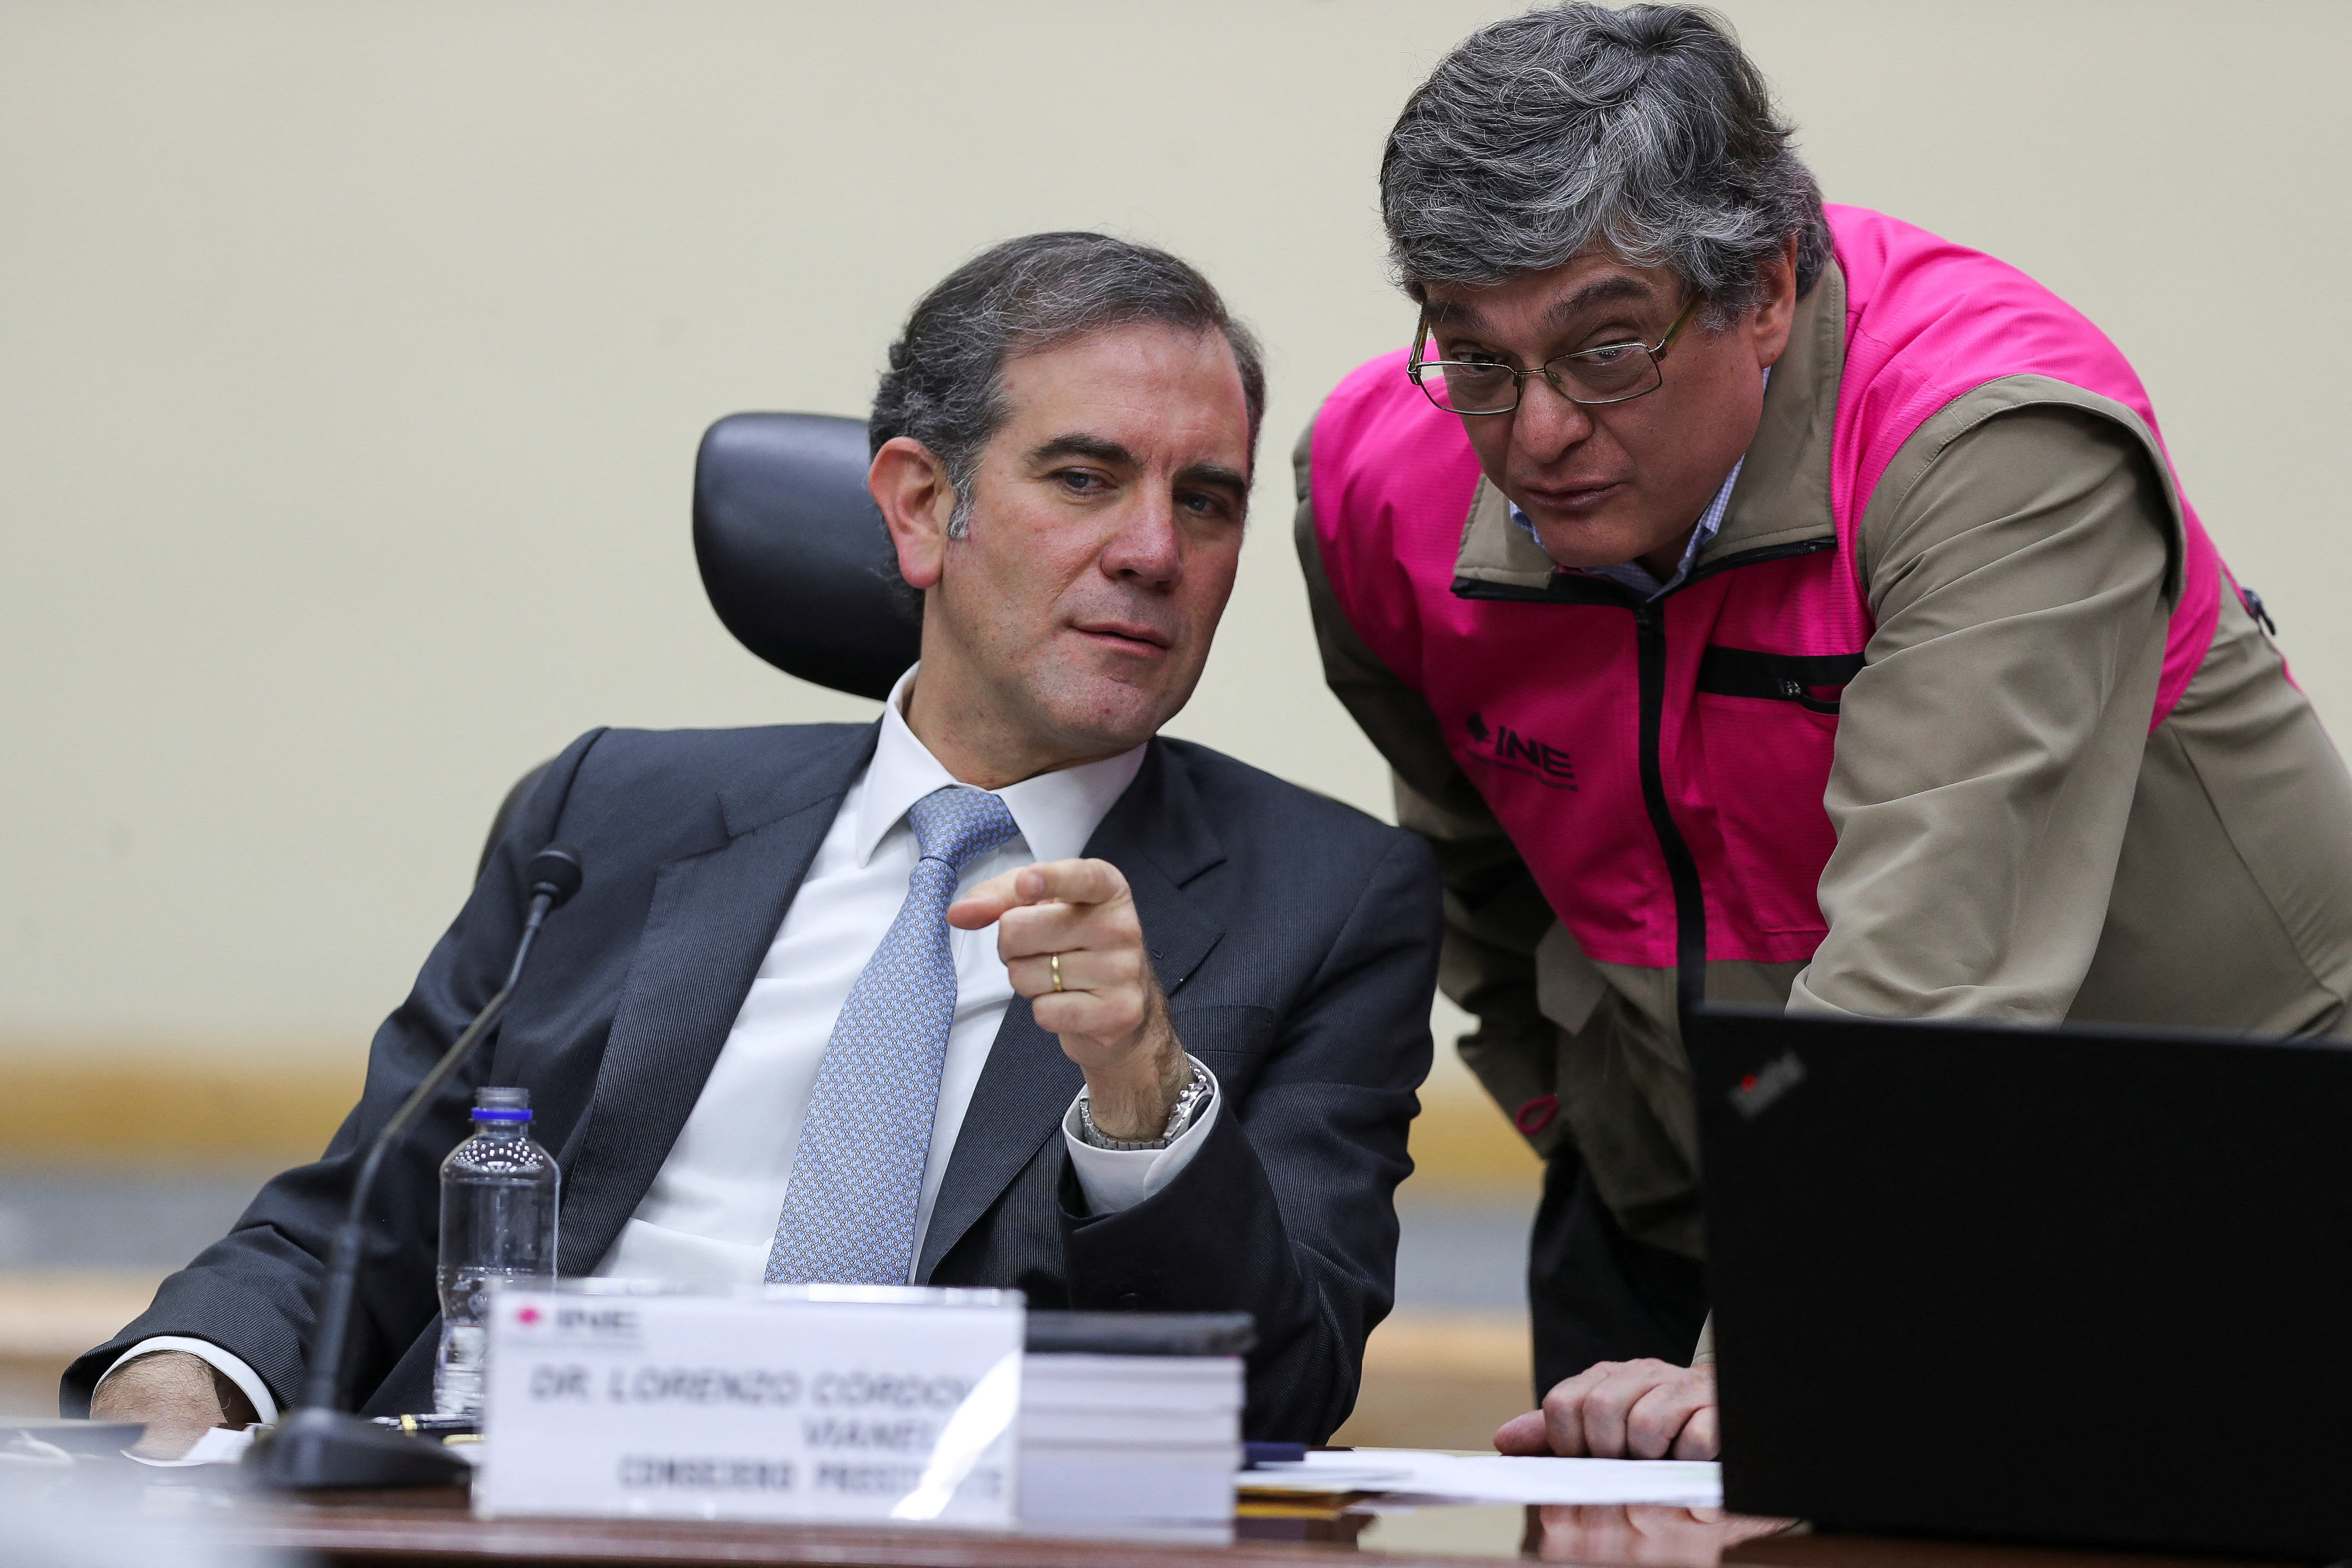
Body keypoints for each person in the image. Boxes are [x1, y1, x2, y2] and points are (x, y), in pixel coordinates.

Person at [72, 233, 1441, 1455]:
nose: (1153, 548)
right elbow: (360, 1222)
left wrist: (1145, 1104)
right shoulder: (611, 814)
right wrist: (187, 1377)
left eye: (1207, 501)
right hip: (503, 1506)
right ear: (918, 507)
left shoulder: (1322, 897)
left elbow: (1277, 1399)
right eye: (1085, 478)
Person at [1296, 4, 2352, 1461]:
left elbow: (1935, 971)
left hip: (2180, 1191)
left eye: (1606, 348)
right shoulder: (1379, 478)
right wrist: (1579, 1119)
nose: (1533, 433)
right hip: (1705, 1201)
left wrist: (1783, 1343)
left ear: (1769, 290)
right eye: (1474, 353)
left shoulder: (1988, 445)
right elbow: (1468, 851)